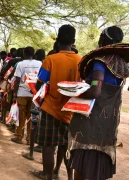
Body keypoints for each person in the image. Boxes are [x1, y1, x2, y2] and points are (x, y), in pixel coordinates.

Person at [68, 26, 129, 180]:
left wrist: (76, 92)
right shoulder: (122, 65)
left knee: (82, 164)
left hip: (91, 121)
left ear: (104, 39)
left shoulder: (100, 62)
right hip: (109, 124)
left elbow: (95, 91)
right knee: (99, 166)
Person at [32, 25, 81, 180]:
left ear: (58, 41)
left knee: (48, 145)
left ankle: (47, 174)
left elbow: (39, 84)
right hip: (71, 111)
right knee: (65, 146)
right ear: (73, 41)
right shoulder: (82, 61)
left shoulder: (50, 60)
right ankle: (63, 174)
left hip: (51, 109)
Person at [11, 46, 42, 145]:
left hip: (22, 93)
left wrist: (15, 94)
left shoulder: (21, 64)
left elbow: (17, 80)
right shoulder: (39, 63)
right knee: (30, 116)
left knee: (21, 115)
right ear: (33, 54)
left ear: (24, 53)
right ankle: (29, 138)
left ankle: (19, 136)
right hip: (34, 93)